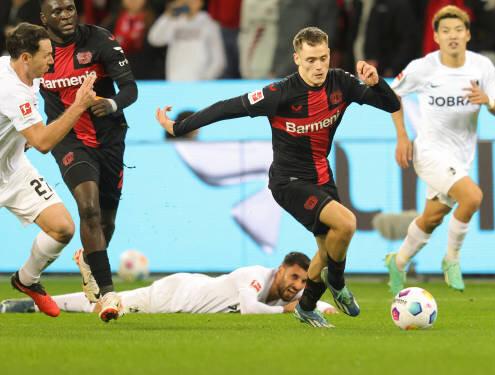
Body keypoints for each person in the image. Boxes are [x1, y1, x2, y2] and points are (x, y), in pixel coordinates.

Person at [155, 27, 403, 328]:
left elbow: (390, 104)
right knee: (346, 222)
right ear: (297, 58)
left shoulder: (342, 83)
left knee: (327, 250)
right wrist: (180, 127)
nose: (318, 66)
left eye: (323, 58)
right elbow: (227, 108)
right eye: (311, 59)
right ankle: (337, 283)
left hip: (322, 176)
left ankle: (307, 306)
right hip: (288, 182)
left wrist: (377, 83)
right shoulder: (279, 93)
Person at [384, 6, 495, 295]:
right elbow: (391, 95)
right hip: (428, 152)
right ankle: (451, 260)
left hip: (460, 157)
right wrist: (402, 136)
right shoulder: (423, 68)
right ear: (436, 37)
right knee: (472, 197)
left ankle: (397, 262)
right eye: (446, 31)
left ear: (468, 34)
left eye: (458, 30)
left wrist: (487, 99)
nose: (452, 35)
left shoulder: (482, 67)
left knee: (432, 218)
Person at [38, 0, 139, 322]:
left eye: (70, 8)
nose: (66, 15)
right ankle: (109, 294)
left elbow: (130, 88)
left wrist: (111, 104)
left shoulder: (99, 40)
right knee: (89, 208)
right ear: (44, 18)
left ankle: (90, 259)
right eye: (58, 11)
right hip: (68, 139)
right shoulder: (38, 51)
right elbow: (18, 91)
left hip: (109, 138)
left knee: (106, 220)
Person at [0, 22, 96, 317]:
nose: (52, 60)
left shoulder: (21, 70)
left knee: (63, 228)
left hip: (12, 168)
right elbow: (42, 142)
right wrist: (79, 106)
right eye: (46, 56)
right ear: (26, 58)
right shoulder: (12, 90)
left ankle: (27, 279)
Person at [1, 252, 337, 316]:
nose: (297, 286)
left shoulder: (285, 293)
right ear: (280, 270)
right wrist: (288, 312)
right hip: (174, 296)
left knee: (103, 305)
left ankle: (32, 304)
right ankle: (28, 304)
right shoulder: (255, 275)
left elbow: (308, 302)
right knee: (104, 307)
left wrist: (324, 306)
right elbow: (250, 308)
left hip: (185, 293)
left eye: (302, 283)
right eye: (294, 277)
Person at [147, 0, 226, 81]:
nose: (189, 2)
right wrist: (167, 15)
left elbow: (218, 59)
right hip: (175, 81)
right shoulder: (173, 20)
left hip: (200, 82)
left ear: (201, 3)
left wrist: (206, 79)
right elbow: (154, 39)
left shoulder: (209, 23)